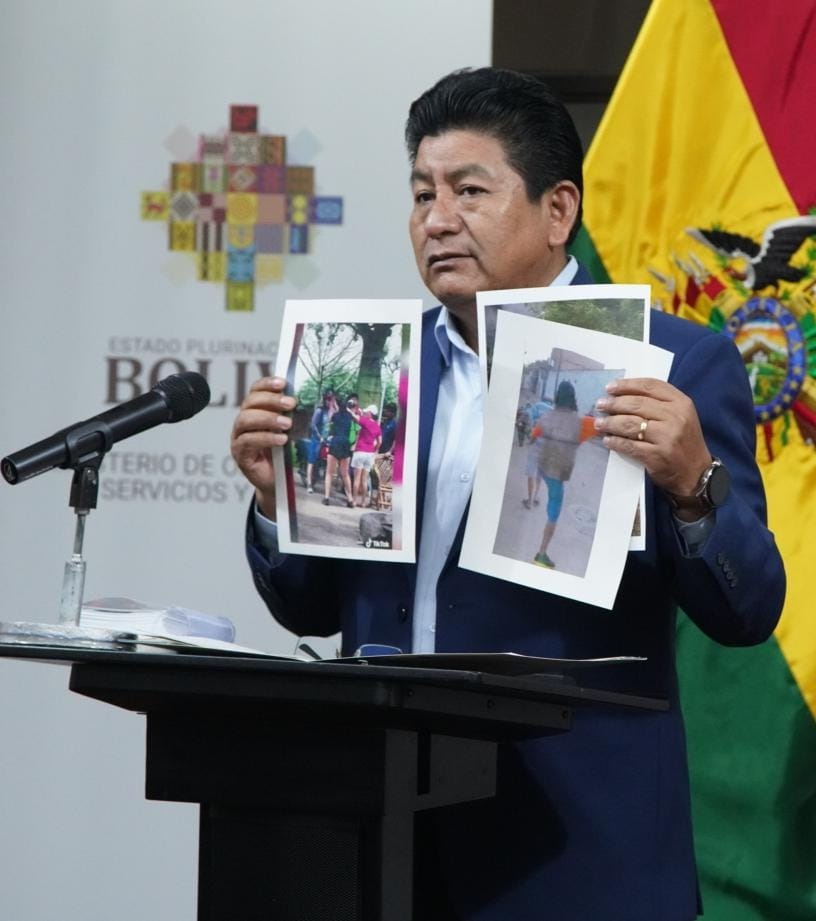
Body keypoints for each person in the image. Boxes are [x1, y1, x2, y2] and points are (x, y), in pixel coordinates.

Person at [230, 67, 786, 921]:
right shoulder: (367, 371)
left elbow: (746, 611)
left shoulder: (671, 364)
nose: (436, 220)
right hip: (381, 835)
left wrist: (692, 484)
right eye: (423, 194)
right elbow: (307, 608)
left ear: (558, 211)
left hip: (577, 853)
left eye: (469, 190)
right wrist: (278, 507)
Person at [530, 380, 581, 569]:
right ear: (573, 398)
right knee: (553, 513)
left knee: (539, 476)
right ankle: (541, 554)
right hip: (557, 474)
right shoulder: (579, 422)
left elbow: (534, 434)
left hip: (543, 466)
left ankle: (533, 497)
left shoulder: (546, 416)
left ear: (557, 396)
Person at [322, 396, 355, 507]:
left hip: (335, 442)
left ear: (338, 405)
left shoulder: (335, 416)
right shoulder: (350, 416)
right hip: (345, 444)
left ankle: (326, 498)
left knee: (329, 473)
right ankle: (350, 499)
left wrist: (332, 407)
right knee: (345, 474)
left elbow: (328, 424)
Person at [350, 403, 382, 507]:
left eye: (367, 412)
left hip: (360, 452)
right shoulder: (377, 426)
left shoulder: (365, 421)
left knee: (357, 479)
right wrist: (375, 450)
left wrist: (350, 410)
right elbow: (380, 441)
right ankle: (364, 502)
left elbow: (355, 417)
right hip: (370, 454)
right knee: (364, 480)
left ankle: (354, 501)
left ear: (370, 413)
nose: (365, 413)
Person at [306, 389, 337, 493]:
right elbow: (313, 425)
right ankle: (309, 484)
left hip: (326, 441)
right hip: (316, 440)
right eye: (328, 399)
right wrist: (319, 437)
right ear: (324, 399)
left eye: (331, 400)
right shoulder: (320, 411)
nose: (329, 402)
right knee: (311, 461)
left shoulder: (331, 412)